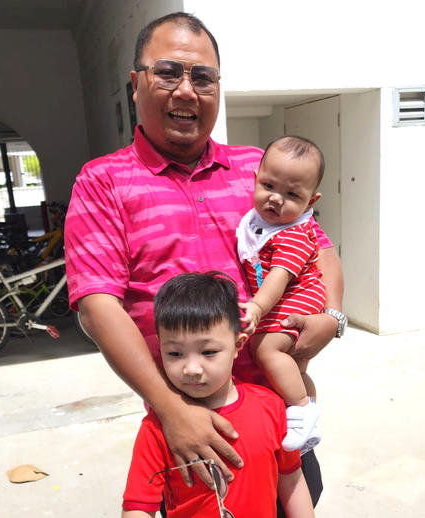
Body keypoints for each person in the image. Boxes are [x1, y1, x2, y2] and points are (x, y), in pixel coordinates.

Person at [64, 11, 345, 513]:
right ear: (135, 84)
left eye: (203, 76)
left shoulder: (257, 171)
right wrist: (172, 411)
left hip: (274, 417)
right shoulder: (102, 182)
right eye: (168, 72)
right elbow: (96, 306)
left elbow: (319, 247)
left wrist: (334, 316)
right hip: (188, 428)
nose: (187, 90)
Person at [121, 272, 314, 518]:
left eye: (209, 351)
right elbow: (138, 506)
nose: (191, 369)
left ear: (238, 344)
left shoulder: (272, 407)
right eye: (175, 354)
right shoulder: (158, 428)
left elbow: (291, 480)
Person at [238, 135, 326, 454]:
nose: (276, 199)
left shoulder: (293, 234)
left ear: (310, 202)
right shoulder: (257, 224)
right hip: (288, 296)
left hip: (299, 296)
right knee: (295, 365)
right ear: (255, 180)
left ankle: (300, 407)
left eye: (291, 194)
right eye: (269, 186)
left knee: (267, 348)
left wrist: (258, 308)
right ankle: (310, 412)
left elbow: (279, 276)